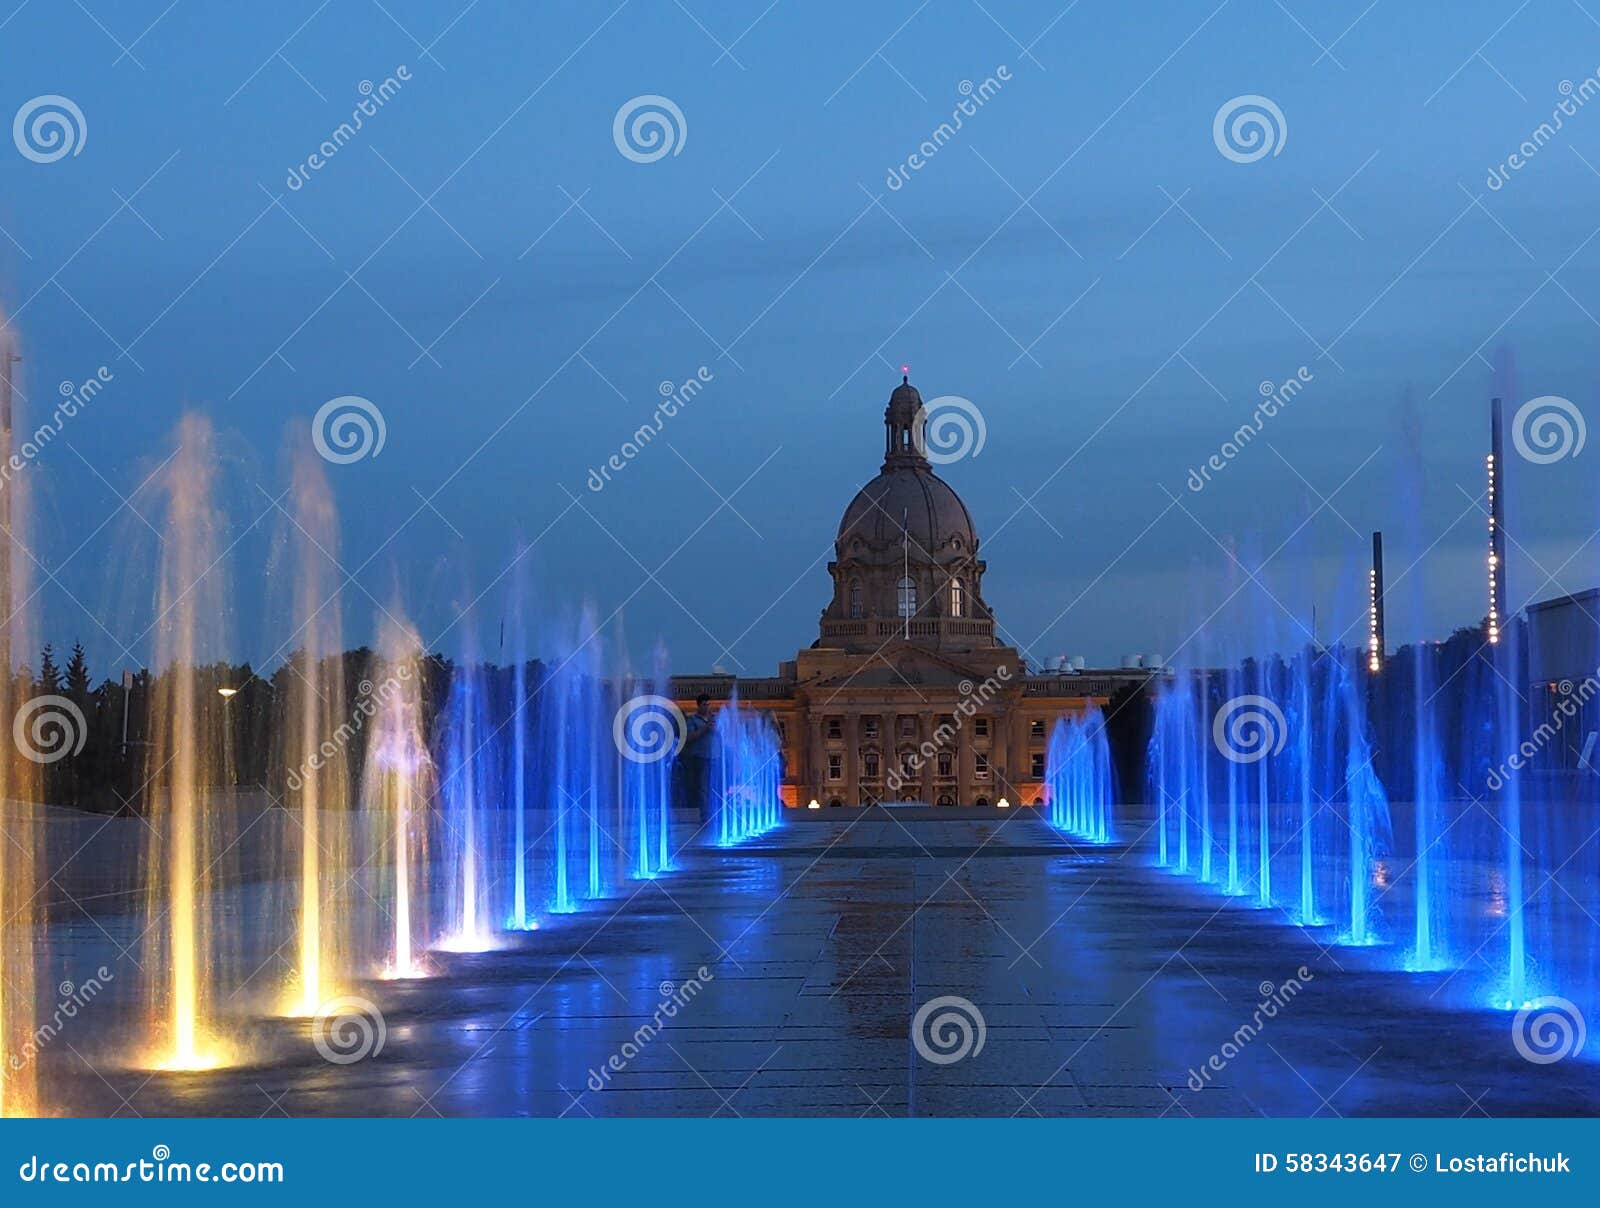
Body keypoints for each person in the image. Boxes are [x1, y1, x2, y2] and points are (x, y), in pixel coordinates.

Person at [680, 694, 715, 819]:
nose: (707, 707)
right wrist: (705, 729)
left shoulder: (714, 720)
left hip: (714, 757)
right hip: (700, 757)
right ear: (699, 705)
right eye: (704, 705)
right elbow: (688, 738)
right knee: (703, 786)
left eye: (708, 704)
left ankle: (715, 811)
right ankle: (705, 814)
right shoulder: (692, 720)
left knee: (714, 786)